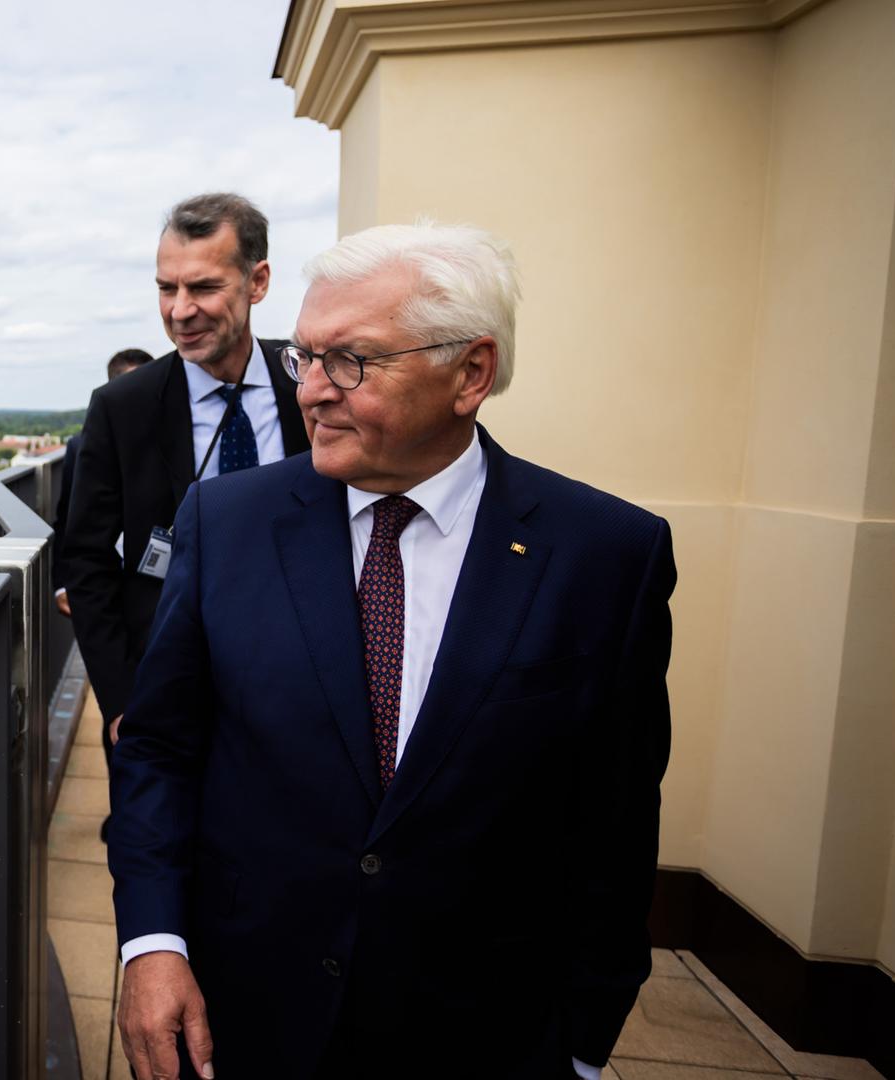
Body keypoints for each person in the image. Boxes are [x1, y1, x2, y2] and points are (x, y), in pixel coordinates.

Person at [109, 222, 674, 1079]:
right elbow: (159, 748)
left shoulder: (605, 556)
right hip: (249, 1014)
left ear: (470, 373)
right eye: (304, 357)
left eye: (352, 361)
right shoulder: (226, 524)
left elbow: (615, 821)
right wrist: (152, 942)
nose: (311, 392)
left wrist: (585, 1045)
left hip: (482, 1032)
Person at [59, 193, 310, 754]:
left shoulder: (311, 382)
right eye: (166, 288)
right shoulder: (121, 407)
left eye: (203, 287)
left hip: (295, 685)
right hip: (162, 692)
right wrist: (122, 701)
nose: (179, 311)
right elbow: (86, 560)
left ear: (258, 281)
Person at [54, 348, 152, 618]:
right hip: (105, 580)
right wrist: (62, 585)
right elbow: (67, 521)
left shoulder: (177, 441)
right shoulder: (80, 447)